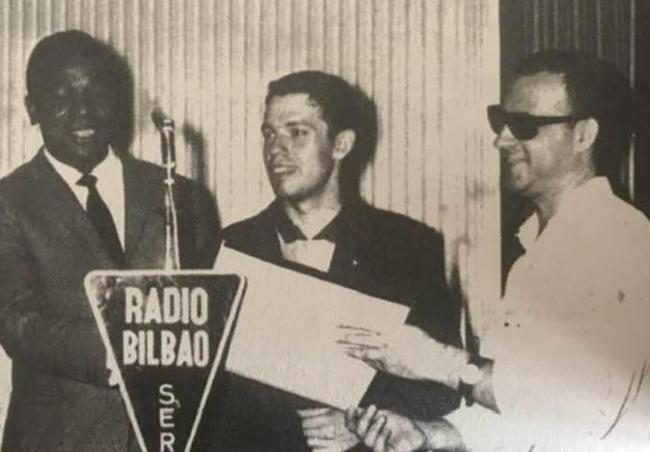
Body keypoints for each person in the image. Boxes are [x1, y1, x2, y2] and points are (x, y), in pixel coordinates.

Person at [341, 50, 650, 451]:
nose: (500, 139)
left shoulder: (619, 239)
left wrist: (440, 362)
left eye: (522, 125)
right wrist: (429, 434)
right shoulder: (534, 252)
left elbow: (585, 405)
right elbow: (525, 412)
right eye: (500, 121)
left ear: (584, 135)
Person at [199, 70, 461, 451]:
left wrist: (362, 422)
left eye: (297, 132)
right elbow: (209, 396)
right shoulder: (231, 247)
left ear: (341, 144)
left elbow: (443, 390)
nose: (275, 149)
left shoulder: (410, 247)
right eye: (268, 134)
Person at [0, 30, 219, 451]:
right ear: (32, 108)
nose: (82, 111)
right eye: (61, 94)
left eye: (95, 91)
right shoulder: (10, 203)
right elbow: (18, 321)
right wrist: (129, 347)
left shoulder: (181, 195)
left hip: (171, 437)